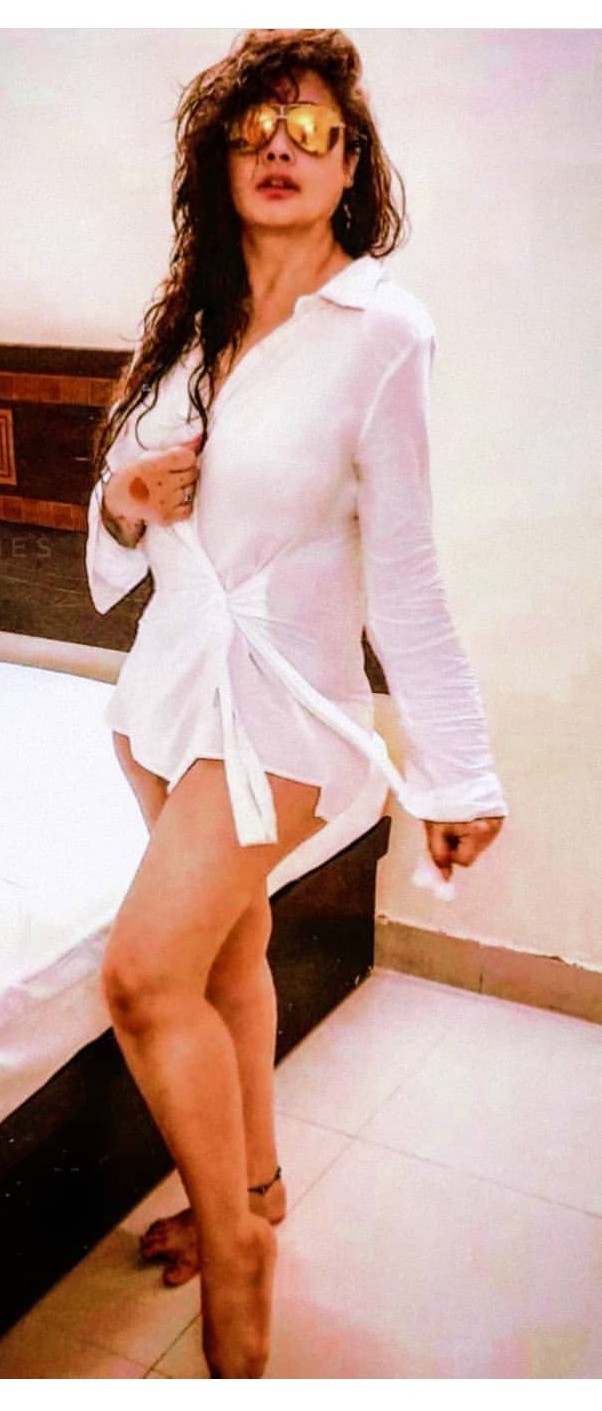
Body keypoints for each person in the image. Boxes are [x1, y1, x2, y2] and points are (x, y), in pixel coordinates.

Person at [86, 28, 506, 1378]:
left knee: (142, 976)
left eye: (311, 126)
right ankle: (255, 1193)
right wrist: (122, 500)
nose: (280, 143)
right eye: (253, 125)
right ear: (217, 162)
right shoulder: (190, 320)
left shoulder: (379, 332)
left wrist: (455, 773)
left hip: (279, 705)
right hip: (167, 692)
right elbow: (125, 499)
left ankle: (239, 1246)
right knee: (225, 959)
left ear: (350, 162)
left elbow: (409, 570)